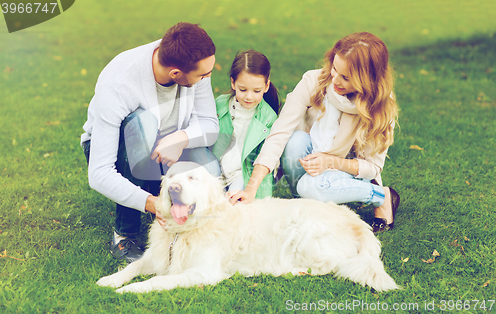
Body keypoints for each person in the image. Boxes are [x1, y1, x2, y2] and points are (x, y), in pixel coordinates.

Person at [229, 32, 400, 233]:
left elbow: (372, 167)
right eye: (335, 68)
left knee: (309, 187)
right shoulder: (314, 81)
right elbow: (279, 132)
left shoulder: (380, 105)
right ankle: (306, 204)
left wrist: (331, 162)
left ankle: (381, 196)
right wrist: (251, 187)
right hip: (312, 161)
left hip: (348, 171)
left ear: (367, 80)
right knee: (294, 141)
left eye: (345, 77)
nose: (334, 79)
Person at [80, 22, 221, 263]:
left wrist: (180, 138)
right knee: (141, 123)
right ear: (175, 74)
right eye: (203, 75)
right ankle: (126, 233)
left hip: (167, 153)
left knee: (210, 170)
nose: (208, 76)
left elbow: (210, 124)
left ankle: (198, 230)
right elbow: (100, 172)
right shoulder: (119, 84)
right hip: (120, 153)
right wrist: (152, 203)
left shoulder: (191, 61)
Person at [211, 50, 280, 199]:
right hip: (217, 169)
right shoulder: (220, 105)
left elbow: (267, 156)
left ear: (266, 86)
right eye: (243, 89)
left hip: (242, 174)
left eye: (256, 91)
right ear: (233, 83)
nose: (249, 96)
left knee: (234, 202)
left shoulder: (269, 118)